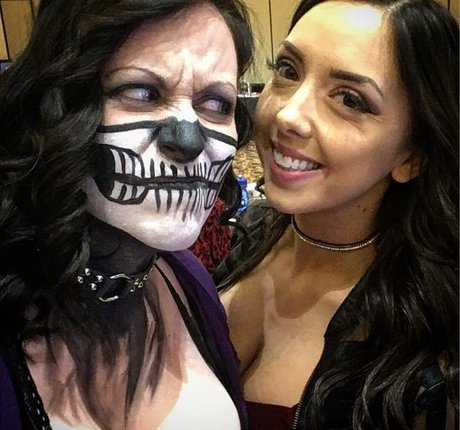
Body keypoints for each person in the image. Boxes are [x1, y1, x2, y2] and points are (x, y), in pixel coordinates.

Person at [0, 0, 254, 428]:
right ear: (57, 105)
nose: (188, 140)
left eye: (215, 103)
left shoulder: (189, 280)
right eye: (141, 93)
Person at [216, 0, 459, 428]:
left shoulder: (425, 361)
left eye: (350, 99)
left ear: (411, 158)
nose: (288, 115)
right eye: (288, 70)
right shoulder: (240, 236)